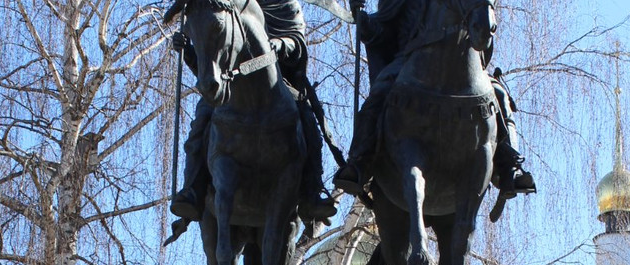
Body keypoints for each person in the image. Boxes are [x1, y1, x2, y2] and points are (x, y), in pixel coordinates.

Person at [333, 0, 535, 204]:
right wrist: (362, 17)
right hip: (409, 64)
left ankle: (509, 166)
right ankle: (360, 161)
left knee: (500, 95)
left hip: (464, 65)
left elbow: (482, 35)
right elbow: (381, 30)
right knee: (379, 92)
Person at [170, 0, 337, 225]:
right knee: (200, 124)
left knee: (307, 119)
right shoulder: (225, 3)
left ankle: (311, 192)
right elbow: (211, 57)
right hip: (229, 84)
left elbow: (297, 41)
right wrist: (188, 50)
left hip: (278, 81)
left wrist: (280, 44)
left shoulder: (285, 2)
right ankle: (193, 189)